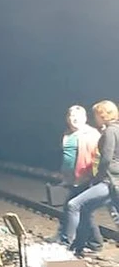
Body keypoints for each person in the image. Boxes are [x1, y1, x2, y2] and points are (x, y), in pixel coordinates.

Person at [62, 100, 119, 256]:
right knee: (87, 209)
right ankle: (80, 246)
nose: (95, 118)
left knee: (74, 205)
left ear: (102, 115)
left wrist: (98, 177)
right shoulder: (115, 129)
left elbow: (106, 158)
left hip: (109, 181)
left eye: (96, 114)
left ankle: (66, 244)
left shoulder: (110, 132)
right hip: (114, 181)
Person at [56, 105, 100, 245]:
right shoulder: (67, 134)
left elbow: (98, 157)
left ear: (85, 118)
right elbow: (67, 156)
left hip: (86, 178)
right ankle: (92, 241)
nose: (73, 119)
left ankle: (70, 240)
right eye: (70, 116)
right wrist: (65, 177)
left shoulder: (91, 134)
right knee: (81, 211)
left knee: (76, 208)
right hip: (71, 178)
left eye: (76, 117)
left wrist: (93, 177)